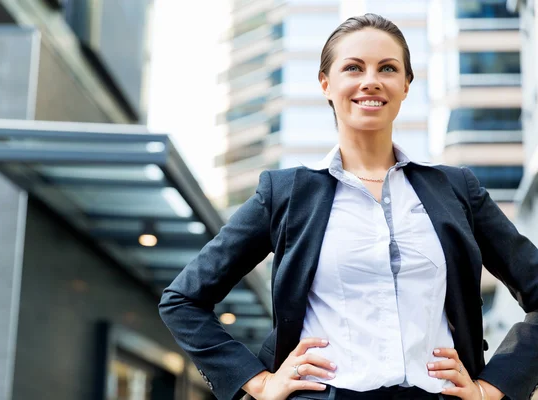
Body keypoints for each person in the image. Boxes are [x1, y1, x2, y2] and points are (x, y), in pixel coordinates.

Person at [159, 13, 538, 400]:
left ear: (406, 85)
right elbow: (182, 300)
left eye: (387, 68)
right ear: (326, 84)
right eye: (353, 68)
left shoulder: (457, 189)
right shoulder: (285, 193)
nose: (370, 80)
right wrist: (258, 382)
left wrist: (494, 388)